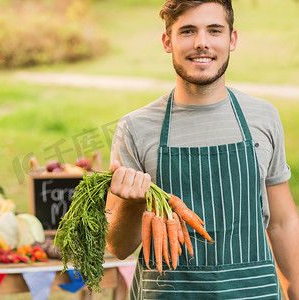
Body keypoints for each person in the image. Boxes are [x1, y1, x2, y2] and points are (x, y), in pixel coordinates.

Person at [105, 0, 299, 299]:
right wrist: (132, 204)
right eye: (187, 31)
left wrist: (296, 284)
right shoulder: (135, 128)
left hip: (252, 291)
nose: (201, 43)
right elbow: (117, 248)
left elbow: (283, 221)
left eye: (214, 30)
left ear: (231, 40)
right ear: (167, 42)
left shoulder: (263, 117)